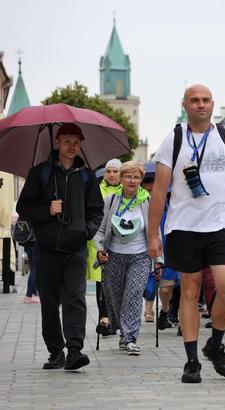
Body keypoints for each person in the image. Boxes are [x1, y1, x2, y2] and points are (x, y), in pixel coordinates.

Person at [148, 84, 225, 384]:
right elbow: (159, 190)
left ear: (213, 104)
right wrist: (152, 235)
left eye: (206, 100)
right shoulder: (174, 139)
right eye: (195, 101)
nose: (201, 105)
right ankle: (192, 360)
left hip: (222, 225)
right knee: (189, 290)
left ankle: (215, 344)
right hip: (184, 226)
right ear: (185, 105)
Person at [16, 122, 104, 370]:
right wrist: (47, 210)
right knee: (50, 303)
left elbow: (97, 210)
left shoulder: (86, 176)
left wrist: (87, 230)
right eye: (67, 141)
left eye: (76, 142)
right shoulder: (40, 173)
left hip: (75, 249)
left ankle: (75, 350)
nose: (71, 146)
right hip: (46, 250)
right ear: (57, 142)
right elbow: (23, 208)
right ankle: (56, 351)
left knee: (75, 298)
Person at [94, 161, 152, 355]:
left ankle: (130, 338)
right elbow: (100, 229)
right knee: (116, 299)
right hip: (114, 256)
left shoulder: (147, 200)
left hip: (140, 256)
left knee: (134, 295)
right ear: (121, 179)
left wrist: (159, 260)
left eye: (136, 177)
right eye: (128, 176)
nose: (132, 180)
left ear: (141, 180)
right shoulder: (111, 200)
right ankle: (122, 331)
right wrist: (100, 249)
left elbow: (154, 232)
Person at [89, 159, 122, 335]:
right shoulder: (97, 190)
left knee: (117, 283)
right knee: (101, 282)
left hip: (120, 242)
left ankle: (115, 317)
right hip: (99, 241)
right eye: (108, 171)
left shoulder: (126, 192)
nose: (111, 174)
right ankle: (104, 319)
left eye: (115, 171)